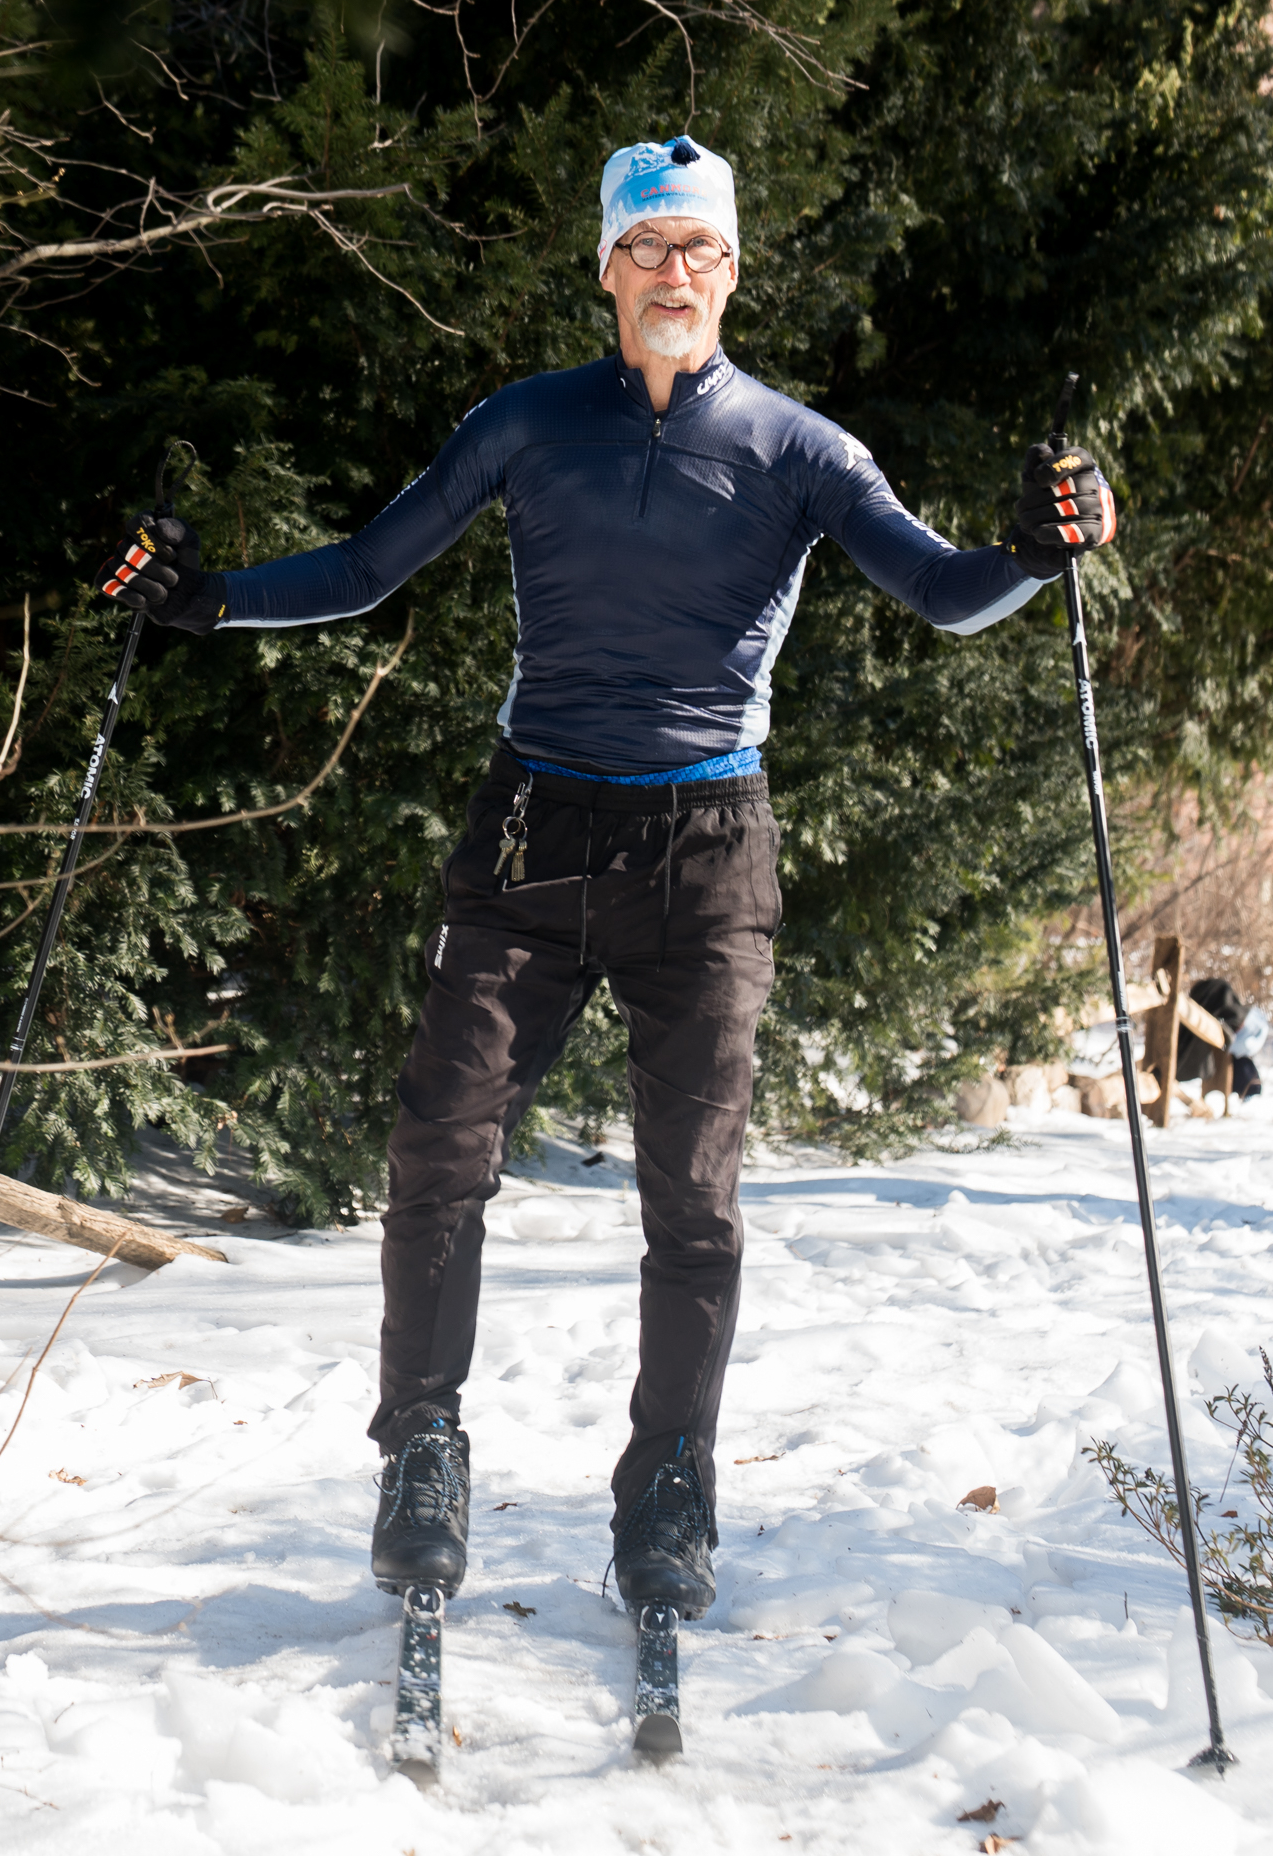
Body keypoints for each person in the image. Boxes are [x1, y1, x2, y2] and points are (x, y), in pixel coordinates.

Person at [92, 136, 1120, 1616]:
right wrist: (207, 602)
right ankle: (424, 1450)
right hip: (532, 837)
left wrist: (1035, 548)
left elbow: (946, 591)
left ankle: (669, 1484)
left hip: (709, 853)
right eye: (646, 248)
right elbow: (372, 567)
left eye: (698, 250)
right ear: (605, 269)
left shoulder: (798, 450)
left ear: (733, 272)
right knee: (440, 1153)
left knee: (692, 1202)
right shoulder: (526, 426)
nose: (672, 276)